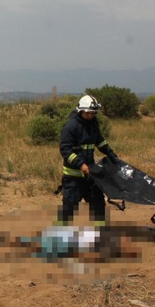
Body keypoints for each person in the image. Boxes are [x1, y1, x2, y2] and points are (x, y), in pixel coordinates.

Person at [58, 94, 119, 225]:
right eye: (88, 113)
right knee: (69, 208)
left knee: (98, 205)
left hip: (90, 175)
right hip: (73, 178)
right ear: (81, 111)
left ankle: (99, 234)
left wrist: (112, 155)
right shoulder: (71, 127)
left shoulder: (93, 125)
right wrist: (81, 165)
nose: (91, 115)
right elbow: (65, 150)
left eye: (93, 113)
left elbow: (100, 142)